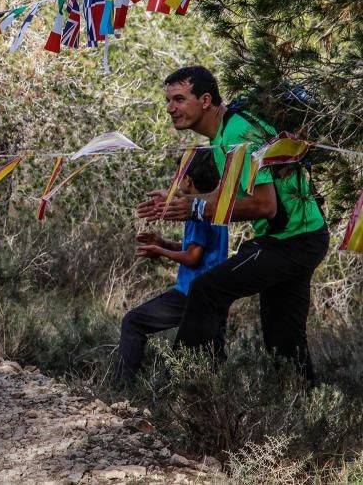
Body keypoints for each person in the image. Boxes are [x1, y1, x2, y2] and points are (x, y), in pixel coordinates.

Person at [137, 66, 329, 380]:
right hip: (299, 238)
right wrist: (178, 199)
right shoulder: (222, 135)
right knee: (284, 342)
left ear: (205, 100)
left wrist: (195, 209)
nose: (170, 108)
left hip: (292, 241)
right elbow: (225, 195)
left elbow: (265, 205)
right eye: (168, 100)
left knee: (207, 289)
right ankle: (303, 405)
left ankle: (184, 382)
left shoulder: (238, 133)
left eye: (179, 99)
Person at [117, 149, 228, 380]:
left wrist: (160, 251)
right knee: (212, 354)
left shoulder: (195, 212)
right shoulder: (215, 208)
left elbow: (193, 258)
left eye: (178, 176)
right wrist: (164, 242)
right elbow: (198, 249)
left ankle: (123, 387)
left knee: (133, 322)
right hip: (216, 294)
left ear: (188, 180)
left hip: (191, 294)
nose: (175, 182)